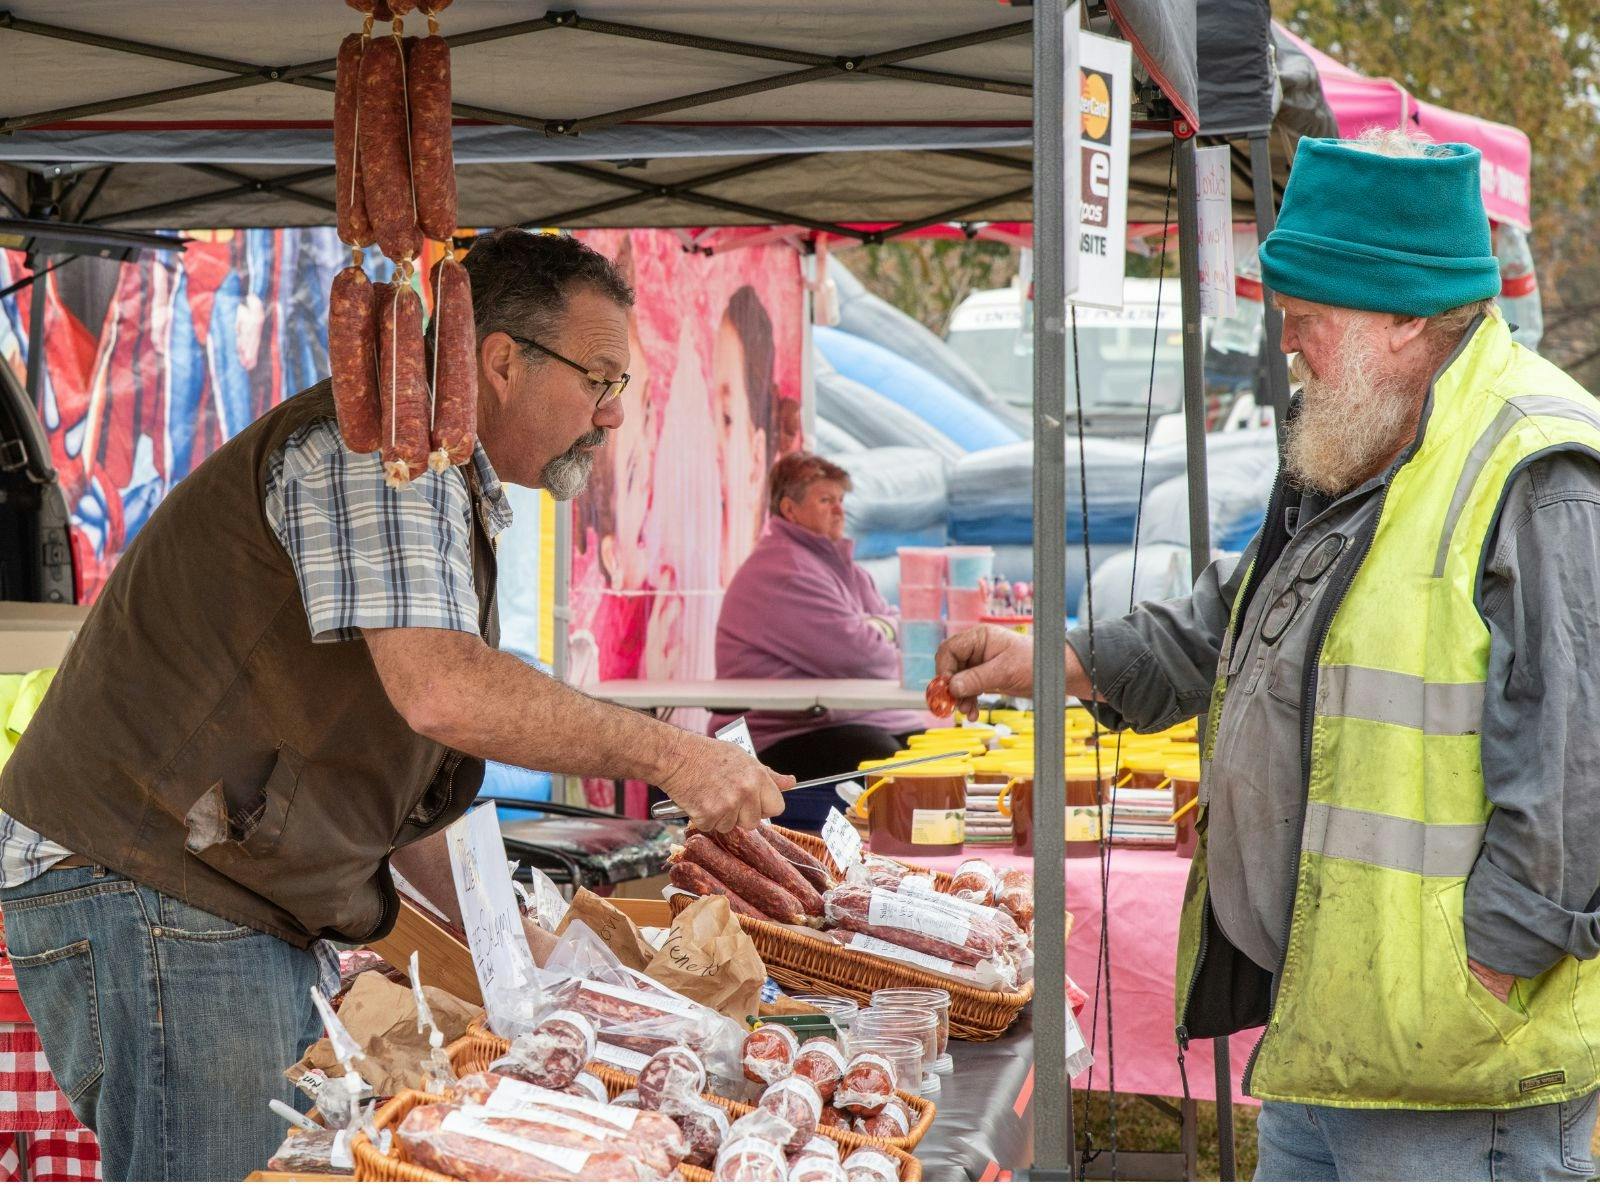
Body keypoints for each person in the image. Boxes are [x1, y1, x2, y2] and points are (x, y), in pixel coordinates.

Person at [0, 229, 791, 1182]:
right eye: (601, 380)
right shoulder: (383, 456)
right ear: (501, 361)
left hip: (198, 886)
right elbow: (445, 691)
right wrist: (675, 757)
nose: (612, 416)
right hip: (159, 879)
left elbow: (394, 770)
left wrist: (520, 950)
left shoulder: (430, 471)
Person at [936, 133, 1600, 1181]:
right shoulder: (1363, 437)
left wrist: (1485, 973)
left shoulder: (1535, 470)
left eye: (1308, 318)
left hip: (1454, 1060)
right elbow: (1229, 626)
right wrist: (1048, 659)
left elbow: (1575, 780)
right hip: (1331, 1025)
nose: (1287, 343)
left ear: (1403, 316)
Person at [712, 452, 924, 782]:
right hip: (777, 735)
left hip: (832, 720)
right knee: (888, 762)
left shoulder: (836, 565)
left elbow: (905, 630)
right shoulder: (786, 572)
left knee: (929, 749)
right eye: (826, 500)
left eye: (840, 499)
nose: (840, 510)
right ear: (789, 509)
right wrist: (882, 630)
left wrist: (878, 627)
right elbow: (865, 658)